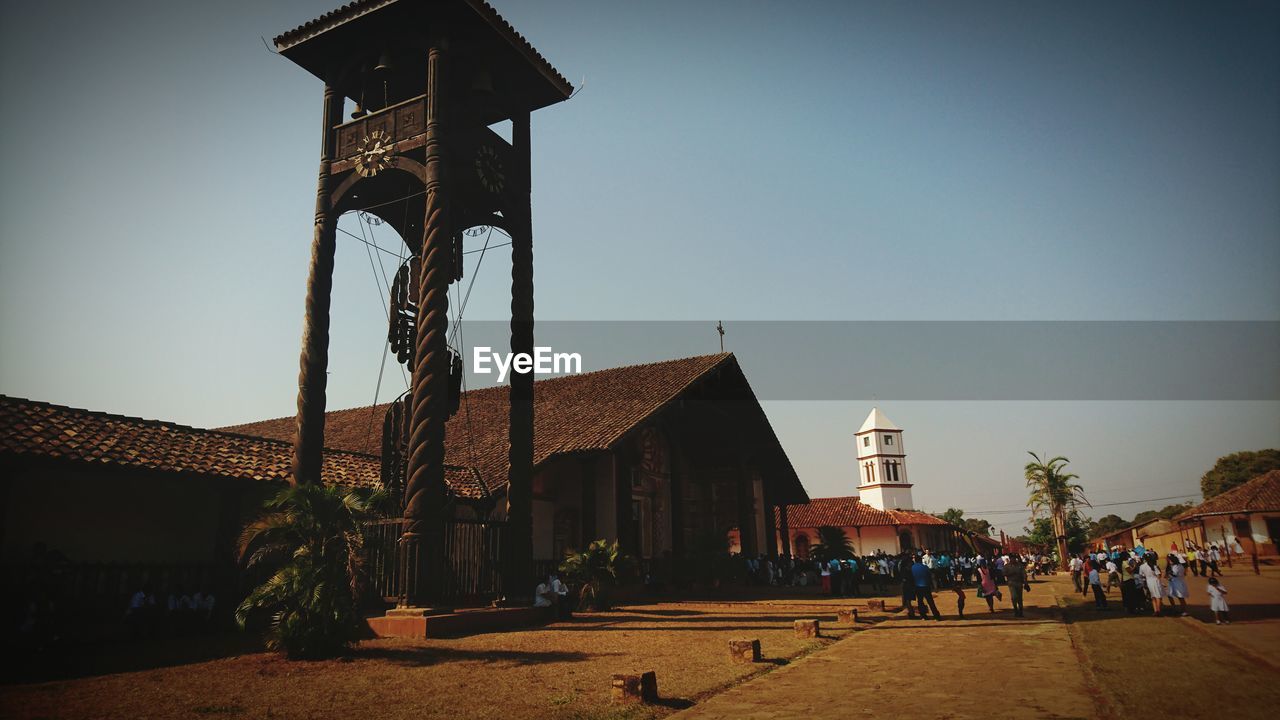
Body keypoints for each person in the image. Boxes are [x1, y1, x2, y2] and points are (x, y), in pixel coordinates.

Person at [911, 554, 942, 620]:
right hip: (926, 586)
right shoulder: (925, 567)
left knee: (920, 602)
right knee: (930, 601)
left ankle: (923, 615)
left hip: (918, 586)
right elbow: (929, 576)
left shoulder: (912, 567)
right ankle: (936, 616)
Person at [897, 553, 918, 619]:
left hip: (907, 584)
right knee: (908, 600)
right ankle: (911, 613)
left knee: (907, 600)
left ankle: (911, 613)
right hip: (908, 584)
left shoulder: (904, 567)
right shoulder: (908, 569)